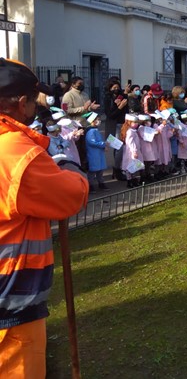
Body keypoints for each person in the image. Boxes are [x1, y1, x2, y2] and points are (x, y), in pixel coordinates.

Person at [0, 58, 88, 378]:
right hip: (9, 306)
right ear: (21, 103)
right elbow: (70, 195)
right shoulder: (13, 152)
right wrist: (66, 164)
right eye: (34, 100)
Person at [84, 112, 108, 192]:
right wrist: (103, 144)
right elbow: (92, 142)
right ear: (92, 121)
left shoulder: (95, 130)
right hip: (93, 153)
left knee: (99, 170)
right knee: (92, 171)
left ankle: (101, 183)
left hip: (98, 153)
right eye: (97, 119)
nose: (99, 121)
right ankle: (90, 185)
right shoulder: (90, 131)